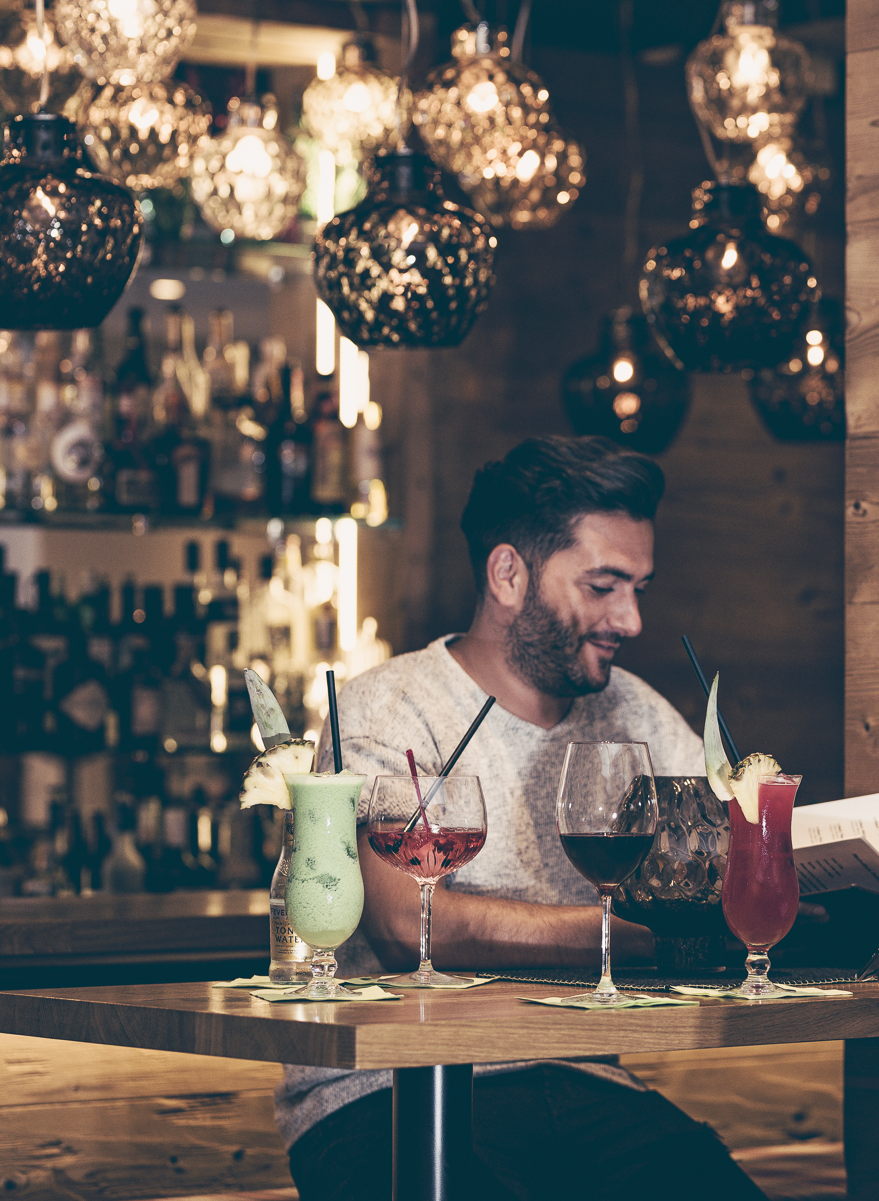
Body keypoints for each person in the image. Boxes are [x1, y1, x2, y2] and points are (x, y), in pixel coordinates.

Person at [277, 436, 766, 1199]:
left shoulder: (637, 711)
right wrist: (644, 935)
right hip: (383, 1090)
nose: (631, 618)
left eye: (638, 587)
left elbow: (743, 860)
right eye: (604, 585)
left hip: (586, 1080)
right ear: (509, 573)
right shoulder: (385, 708)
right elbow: (406, 925)